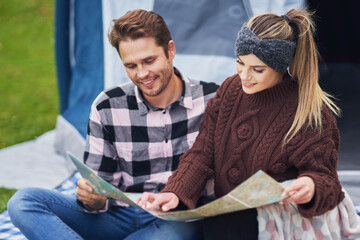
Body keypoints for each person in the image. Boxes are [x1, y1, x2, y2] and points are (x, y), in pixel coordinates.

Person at [138, 9, 350, 239]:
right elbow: (202, 152)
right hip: (226, 222)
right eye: (240, 63)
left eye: (258, 70)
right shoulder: (230, 91)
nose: (244, 76)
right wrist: (175, 193)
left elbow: (326, 180)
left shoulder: (308, 111)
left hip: (279, 227)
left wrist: (311, 186)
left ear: (280, 66)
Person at [7, 9, 218, 240]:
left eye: (149, 61)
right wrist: (93, 197)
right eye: (131, 66)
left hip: (177, 219)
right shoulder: (108, 105)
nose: (142, 74)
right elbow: (99, 187)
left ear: (170, 50)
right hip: (122, 215)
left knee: (174, 234)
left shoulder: (213, 100)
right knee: (23, 202)